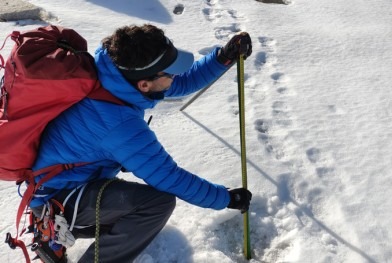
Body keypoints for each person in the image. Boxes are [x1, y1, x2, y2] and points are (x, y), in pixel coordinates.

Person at [29, 24, 253, 263]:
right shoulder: (120, 124)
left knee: (133, 221)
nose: (174, 77)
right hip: (59, 196)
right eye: (169, 72)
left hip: (63, 182)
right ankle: (53, 229)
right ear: (144, 85)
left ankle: (51, 235)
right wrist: (225, 198)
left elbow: (181, 83)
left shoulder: (114, 74)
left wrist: (223, 58)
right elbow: (170, 177)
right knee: (156, 205)